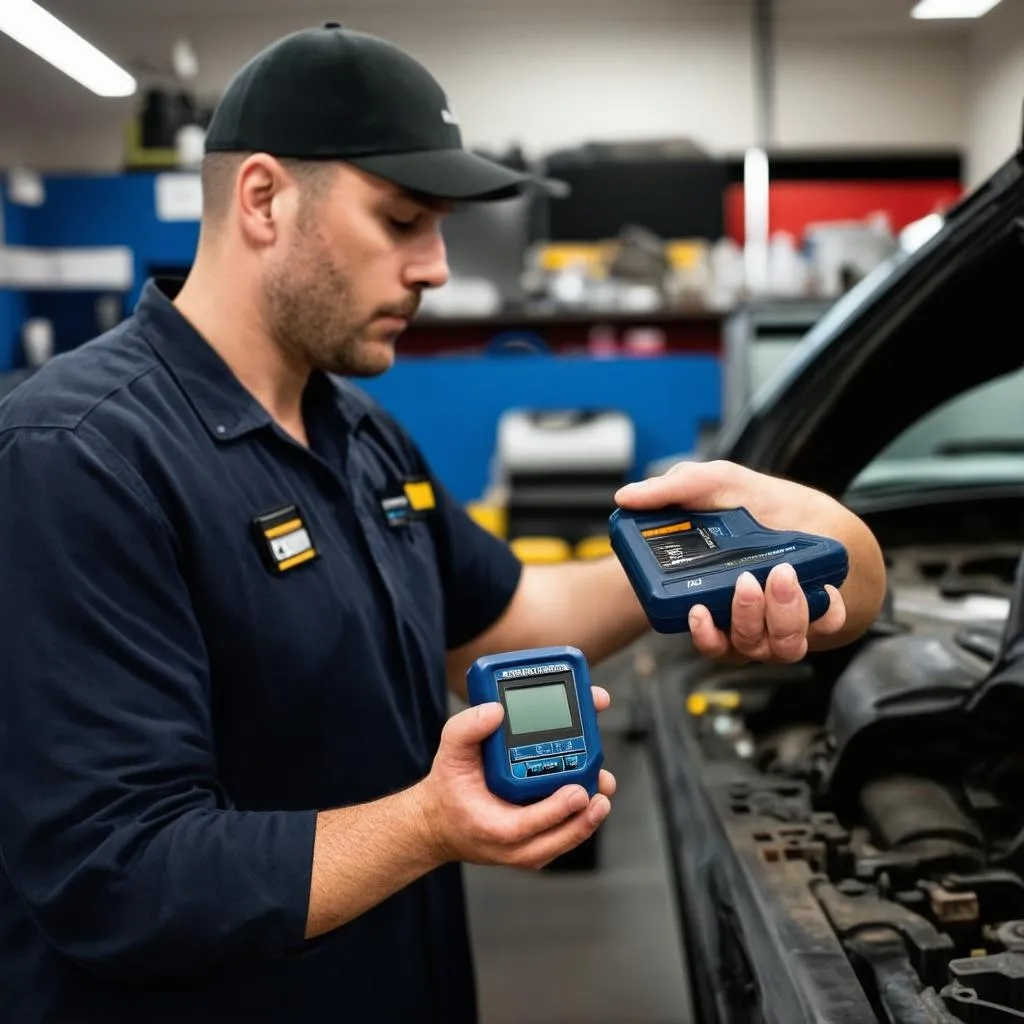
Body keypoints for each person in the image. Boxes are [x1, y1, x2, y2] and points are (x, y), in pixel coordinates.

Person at [0, 23, 887, 1024]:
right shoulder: (76, 455)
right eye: (403, 219)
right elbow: (114, 872)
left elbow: (510, 613)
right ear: (262, 198)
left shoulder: (358, 430)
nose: (433, 266)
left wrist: (747, 541)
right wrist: (427, 824)